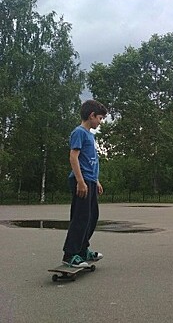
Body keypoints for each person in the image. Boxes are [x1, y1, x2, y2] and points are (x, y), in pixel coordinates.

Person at [62, 100, 108, 267]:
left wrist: (96, 181)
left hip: (90, 180)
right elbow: (74, 157)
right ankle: (70, 254)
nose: (100, 122)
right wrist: (80, 182)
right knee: (80, 217)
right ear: (92, 115)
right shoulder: (79, 132)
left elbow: (90, 161)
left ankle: (82, 250)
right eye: (100, 118)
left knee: (91, 217)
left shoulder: (90, 135)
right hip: (81, 180)